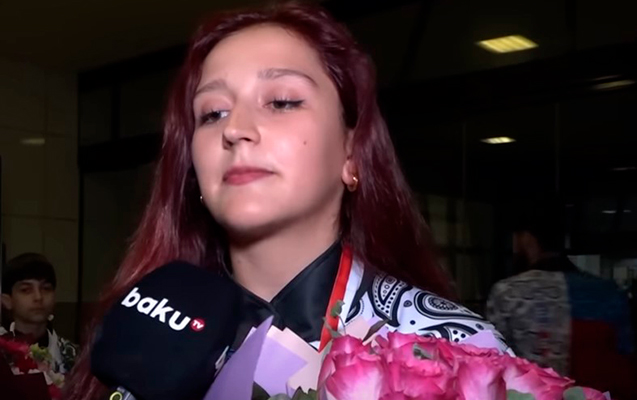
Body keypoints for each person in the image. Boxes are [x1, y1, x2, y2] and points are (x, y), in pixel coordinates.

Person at [65, 2, 505, 398]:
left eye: (281, 101)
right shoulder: (143, 341)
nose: (234, 129)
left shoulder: (459, 357)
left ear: (351, 153)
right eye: (212, 113)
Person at [487, 203, 635, 397]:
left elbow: (492, 367)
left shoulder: (506, 293)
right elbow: (626, 367)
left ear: (526, 239)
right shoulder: (609, 292)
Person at [0, 253, 78, 376]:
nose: (38, 297)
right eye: (26, 290)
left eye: (46, 288)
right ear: (7, 301)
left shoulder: (73, 356)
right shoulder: (2, 351)